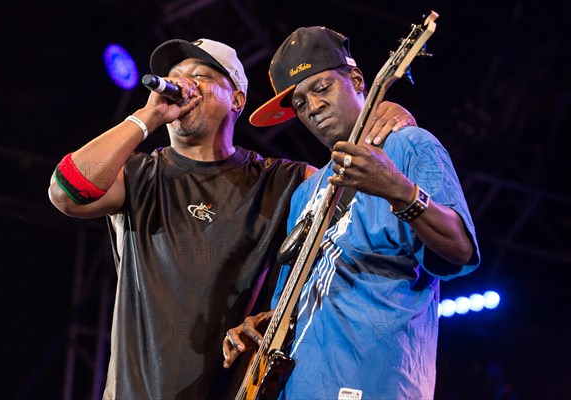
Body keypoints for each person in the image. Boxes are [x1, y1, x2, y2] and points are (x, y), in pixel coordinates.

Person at [48, 36, 416, 399]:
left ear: (237, 99)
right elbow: (67, 193)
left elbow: (361, 192)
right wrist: (148, 116)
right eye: (177, 76)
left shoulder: (283, 179)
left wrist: (391, 120)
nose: (184, 85)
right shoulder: (138, 174)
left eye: (201, 77)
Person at [223, 26, 481, 400]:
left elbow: (461, 249)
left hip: (375, 378)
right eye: (299, 103)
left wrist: (399, 190)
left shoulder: (411, 145)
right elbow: (296, 297)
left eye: (321, 88)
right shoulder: (306, 193)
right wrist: (264, 322)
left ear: (357, 80)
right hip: (296, 386)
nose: (312, 107)